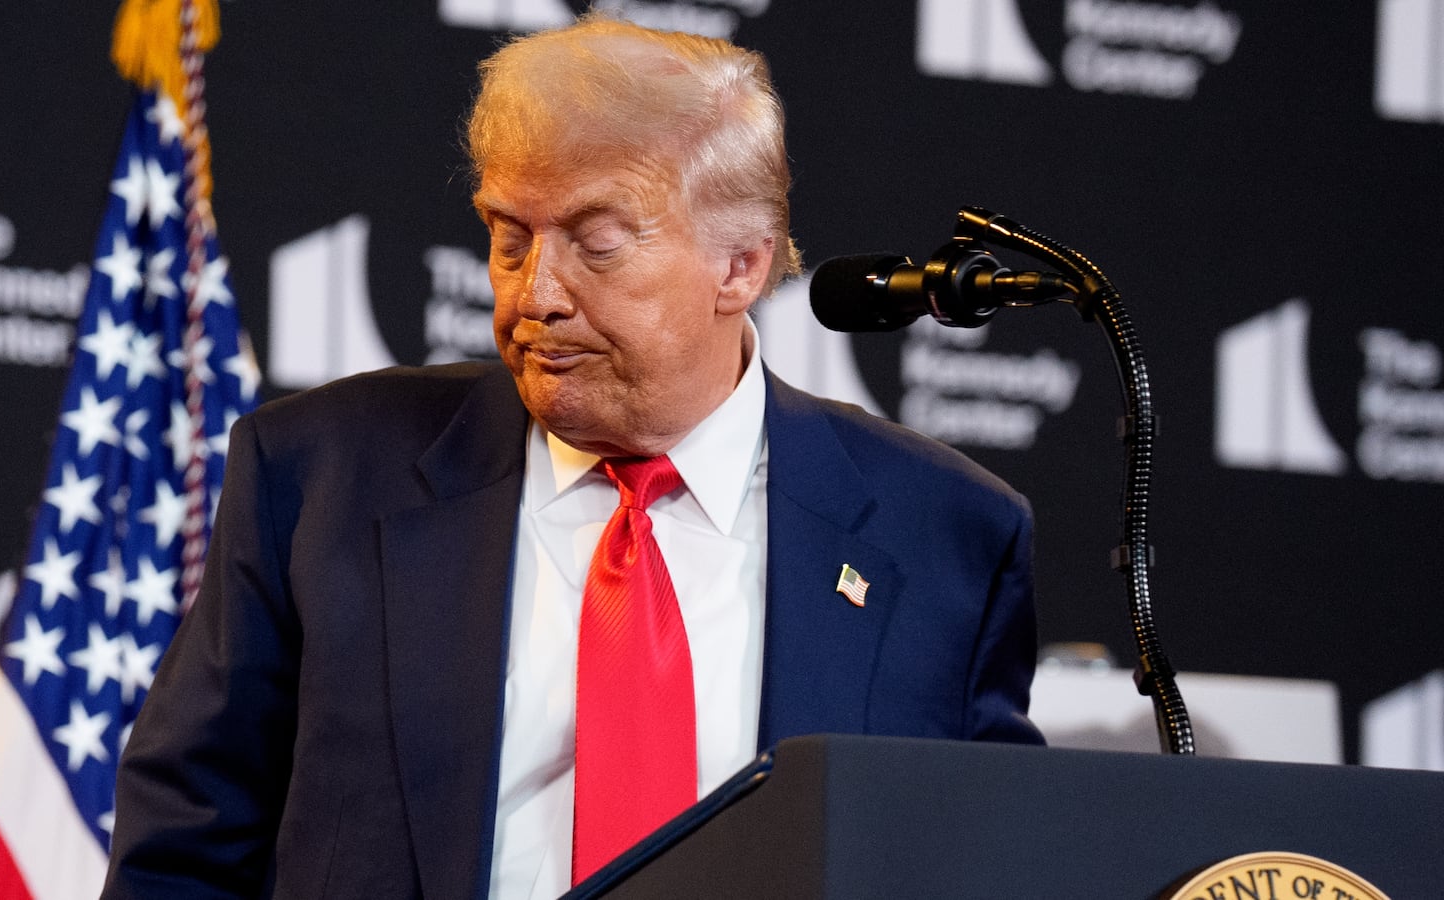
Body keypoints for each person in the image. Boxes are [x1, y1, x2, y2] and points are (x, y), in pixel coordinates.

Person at [103, 13, 1041, 900]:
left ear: (741, 266)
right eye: (509, 241)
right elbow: (182, 852)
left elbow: (991, 862)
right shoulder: (319, 478)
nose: (534, 295)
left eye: (597, 245)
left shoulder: (946, 537)